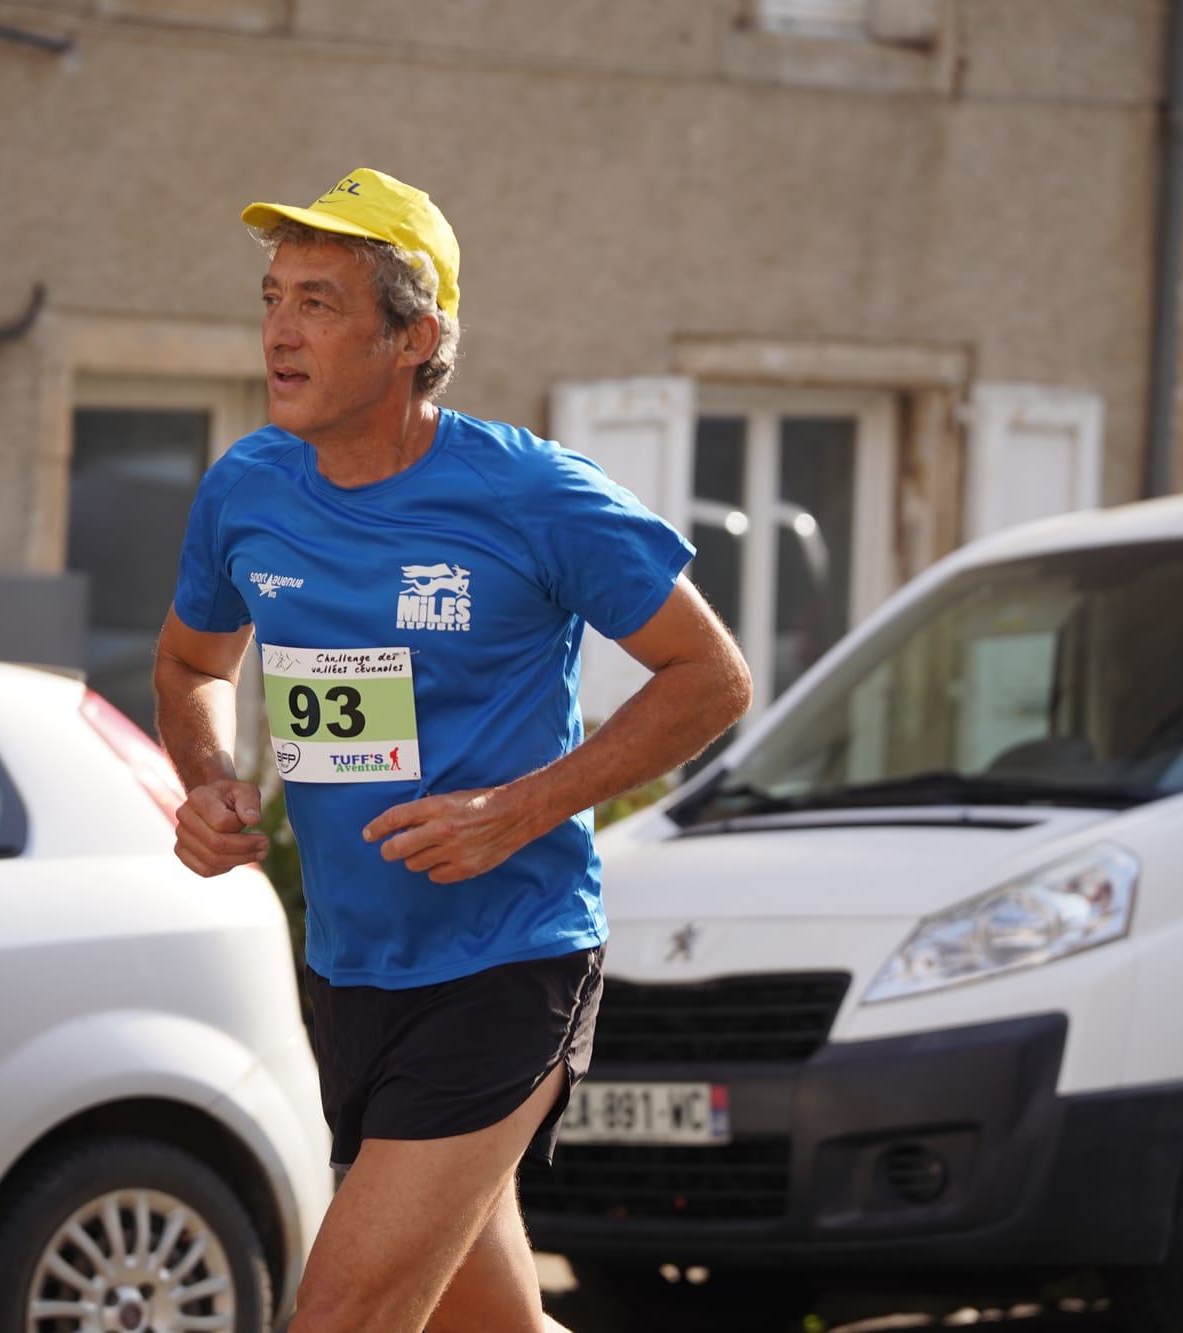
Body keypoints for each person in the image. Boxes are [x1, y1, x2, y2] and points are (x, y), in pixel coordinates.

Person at [153, 166, 751, 1333]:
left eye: (318, 303)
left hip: (505, 961)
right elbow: (189, 665)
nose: (278, 328)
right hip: (350, 965)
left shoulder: (530, 494)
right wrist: (210, 782)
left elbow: (710, 678)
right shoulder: (246, 489)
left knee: (342, 1315)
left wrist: (520, 807)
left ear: (412, 337)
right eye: (272, 296)